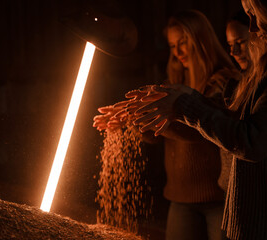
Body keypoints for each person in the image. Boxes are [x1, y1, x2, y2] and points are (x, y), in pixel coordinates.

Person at [130, 0, 267, 239]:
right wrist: (179, 98)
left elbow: (251, 139)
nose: (253, 28)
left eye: (255, 14)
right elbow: (235, 116)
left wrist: (182, 105)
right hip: (262, 216)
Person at [94, 9, 240, 240]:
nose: (178, 51)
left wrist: (151, 116)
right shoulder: (173, 83)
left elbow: (197, 132)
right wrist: (129, 121)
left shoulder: (223, 82)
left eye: (183, 42)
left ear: (201, 40)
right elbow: (156, 135)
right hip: (179, 198)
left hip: (217, 198)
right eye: (173, 46)